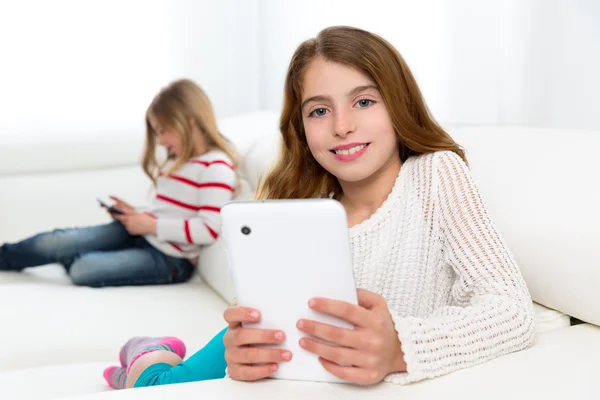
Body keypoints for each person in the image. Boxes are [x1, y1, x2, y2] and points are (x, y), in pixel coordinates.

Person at [104, 25, 535, 389]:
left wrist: (400, 348)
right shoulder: (302, 207)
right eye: (319, 111)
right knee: (159, 386)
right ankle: (148, 353)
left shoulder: (436, 175)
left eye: (364, 102)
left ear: (398, 104)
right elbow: (265, 307)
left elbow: (512, 309)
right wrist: (242, 348)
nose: (342, 127)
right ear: (302, 127)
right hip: (282, 353)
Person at [0, 79, 238, 288]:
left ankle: (73, 256)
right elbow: (169, 212)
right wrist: (137, 215)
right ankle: (6, 256)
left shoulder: (215, 167)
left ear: (191, 122)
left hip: (170, 258)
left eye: (164, 131)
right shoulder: (178, 160)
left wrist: (150, 225)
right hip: (143, 233)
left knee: (84, 270)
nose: (161, 140)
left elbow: (208, 229)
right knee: (60, 240)